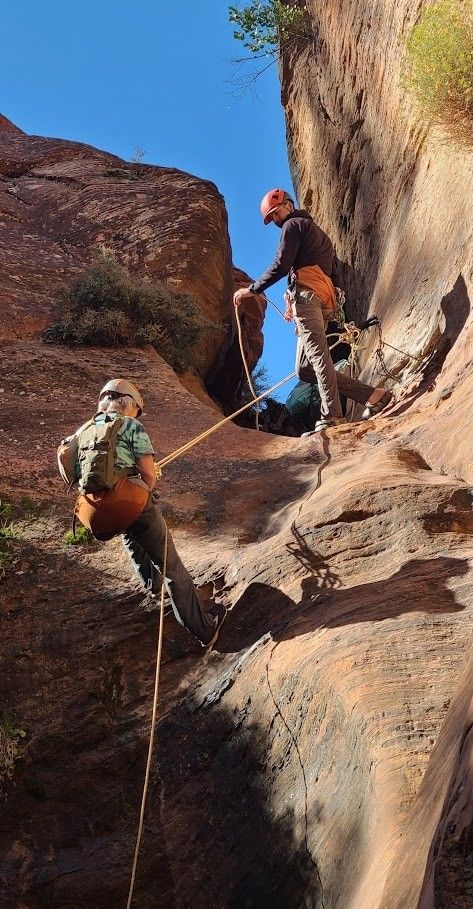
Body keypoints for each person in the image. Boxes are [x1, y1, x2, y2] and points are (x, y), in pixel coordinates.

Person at [57, 379, 226, 648]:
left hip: (94, 512)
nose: (137, 414)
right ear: (129, 404)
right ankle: (204, 629)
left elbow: (68, 469)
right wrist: (146, 483)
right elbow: (148, 473)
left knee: (129, 530)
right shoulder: (131, 425)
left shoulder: (82, 431)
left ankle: (153, 586)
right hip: (129, 502)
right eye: (137, 409)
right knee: (171, 565)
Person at [234, 189, 392, 433]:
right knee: (305, 369)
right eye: (272, 217)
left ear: (288, 204)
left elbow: (281, 264)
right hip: (322, 298)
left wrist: (251, 290)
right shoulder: (318, 234)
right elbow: (333, 272)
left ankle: (332, 415)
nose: (276, 220)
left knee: (318, 357)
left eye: (276, 213)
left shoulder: (293, 225)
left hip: (307, 297)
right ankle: (372, 395)